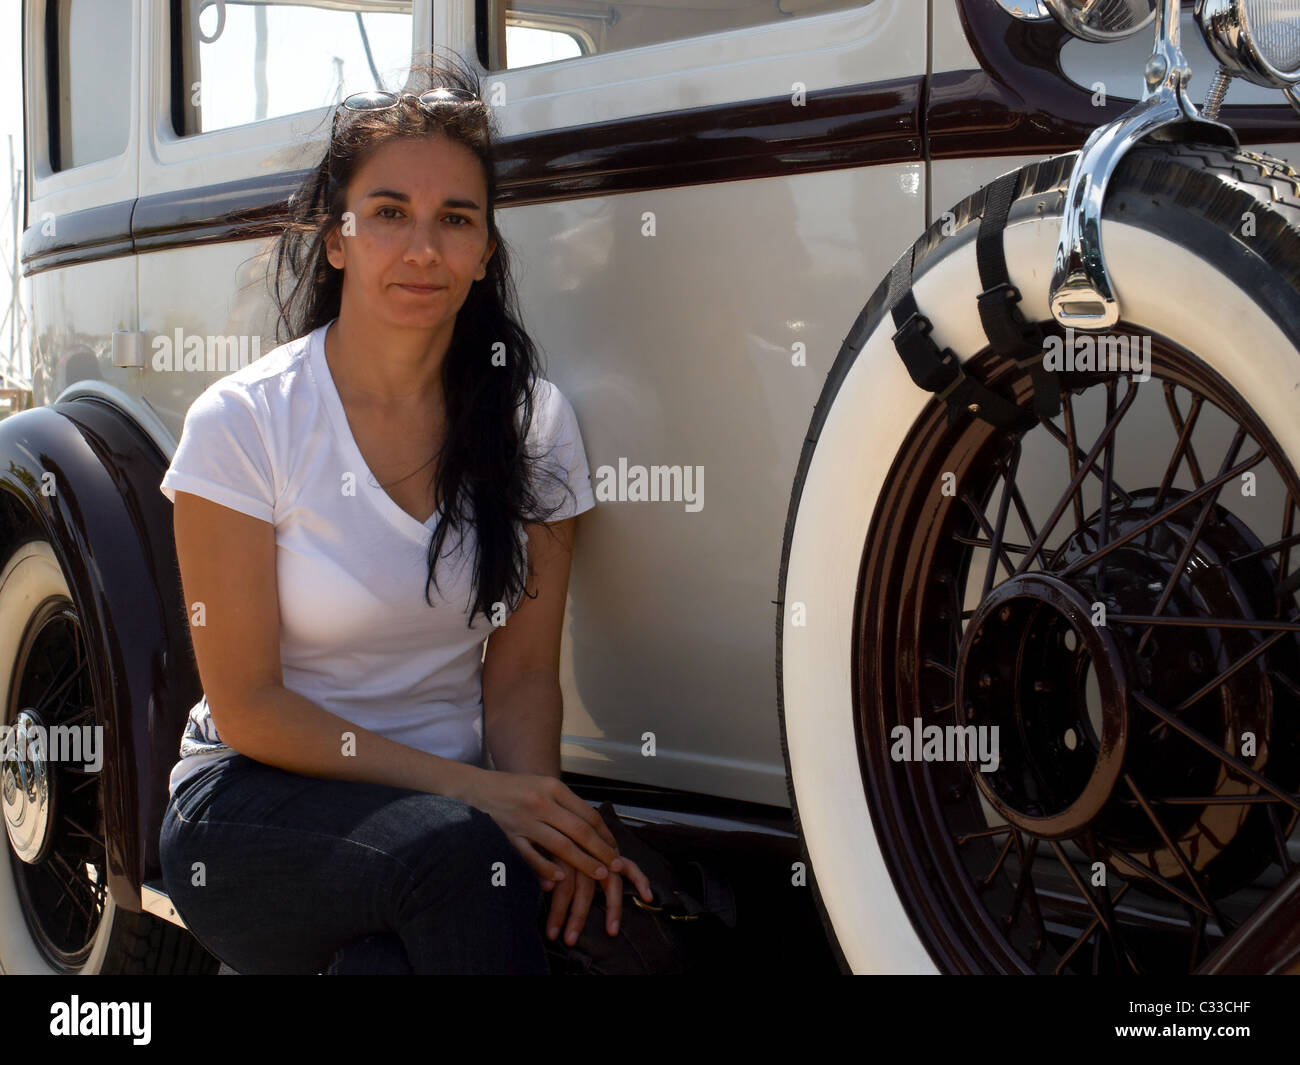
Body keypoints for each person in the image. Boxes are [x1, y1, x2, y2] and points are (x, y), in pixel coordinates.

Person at [157, 49, 651, 975]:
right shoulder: (245, 422)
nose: (422, 248)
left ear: (484, 252)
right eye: (389, 213)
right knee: (460, 860)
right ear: (337, 238)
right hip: (249, 806)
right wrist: (483, 803)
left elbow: (520, 683)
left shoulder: (531, 424)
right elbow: (249, 705)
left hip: (445, 828)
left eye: (454, 220)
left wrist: (539, 816)